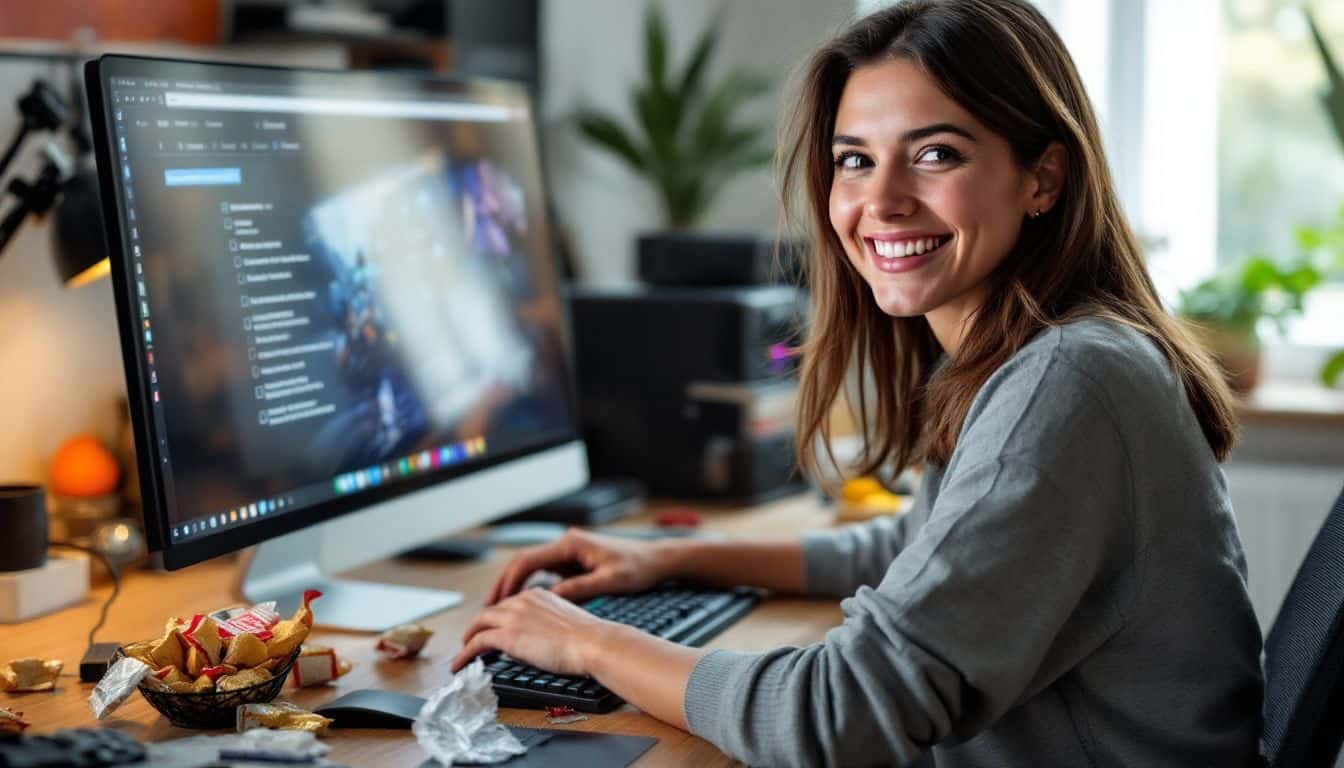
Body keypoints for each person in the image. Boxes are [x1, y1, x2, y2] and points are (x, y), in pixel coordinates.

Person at [451, 1, 1265, 764]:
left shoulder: (1069, 381)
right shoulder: (1036, 353)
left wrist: (587, 642)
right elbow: (920, 547)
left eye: (935, 154)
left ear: (1043, 178)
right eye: (854, 160)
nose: (881, 201)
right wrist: (670, 559)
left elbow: (837, 714)